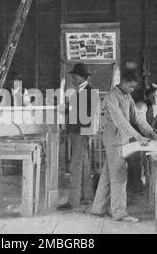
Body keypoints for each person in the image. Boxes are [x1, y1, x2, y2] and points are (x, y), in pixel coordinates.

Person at [91, 71, 157, 223]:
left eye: (134, 88)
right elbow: (120, 121)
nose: (132, 90)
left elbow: (138, 118)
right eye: (131, 86)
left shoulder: (127, 97)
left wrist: (151, 132)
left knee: (109, 175)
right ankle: (119, 212)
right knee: (120, 176)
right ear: (123, 82)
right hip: (114, 141)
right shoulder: (111, 97)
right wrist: (138, 137)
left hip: (122, 140)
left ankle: (98, 208)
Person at [58, 63, 95, 210]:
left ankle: (73, 202)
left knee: (75, 166)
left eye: (75, 76)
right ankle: (87, 197)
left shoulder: (88, 91)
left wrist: (67, 109)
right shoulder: (81, 91)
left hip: (80, 132)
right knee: (84, 166)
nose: (73, 78)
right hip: (78, 132)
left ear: (83, 77)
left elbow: (85, 113)